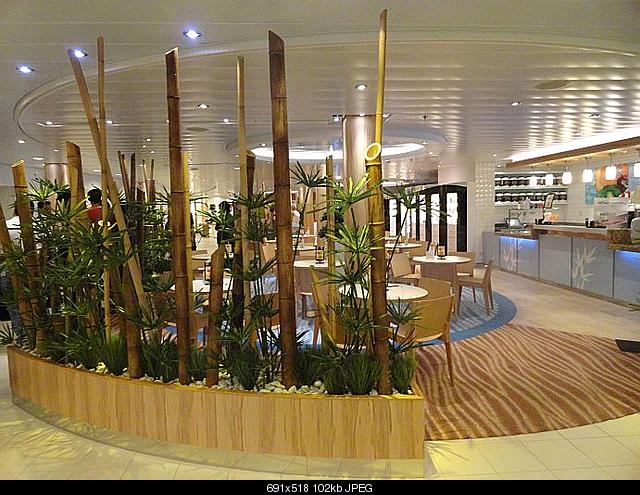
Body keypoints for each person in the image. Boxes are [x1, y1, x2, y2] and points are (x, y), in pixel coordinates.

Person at [0, 207, 23, 336]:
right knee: (34, 304)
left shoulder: (6, 225)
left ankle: (20, 336)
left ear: (14, 210)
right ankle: (35, 337)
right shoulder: (35, 228)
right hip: (31, 270)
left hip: (8, 268)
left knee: (13, 305)